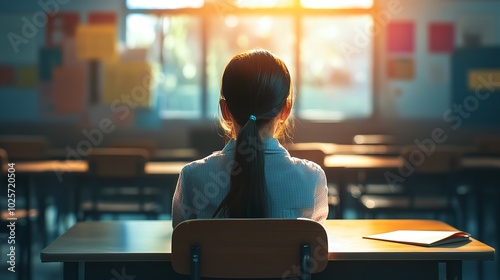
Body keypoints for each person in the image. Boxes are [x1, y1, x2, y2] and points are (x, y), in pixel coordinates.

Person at [171, 49, 328, 228]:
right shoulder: (312, 179)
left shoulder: (193, 177)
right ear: (286, 110)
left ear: (225, 110)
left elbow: (182, 246)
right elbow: (313, 247)